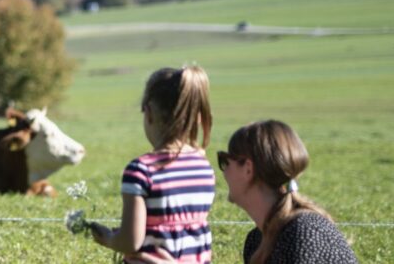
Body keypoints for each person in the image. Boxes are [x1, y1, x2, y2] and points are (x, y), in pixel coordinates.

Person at [88, 66, 216, 263]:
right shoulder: (203, 167)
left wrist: (109, 238)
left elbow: (131, 242)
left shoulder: (141, 171)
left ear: (148, 113)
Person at [218, 120, 357, 264]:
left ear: (248, 169)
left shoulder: (303, 232)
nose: (224, 172)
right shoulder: (256, 240)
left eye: (225, 162)